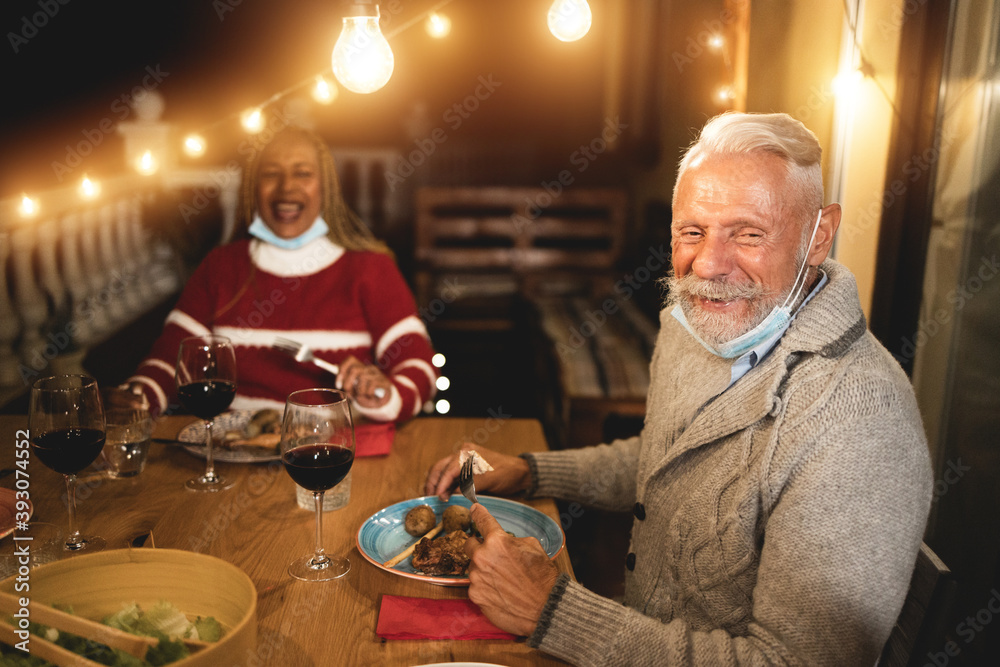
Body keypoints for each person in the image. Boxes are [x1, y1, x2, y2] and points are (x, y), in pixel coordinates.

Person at [425, 112, 933, 665]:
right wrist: (535, 471)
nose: (708, 265)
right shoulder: (696, 325)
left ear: (820, 236)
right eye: (692, 231)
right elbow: (671, 463)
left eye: (748, 234)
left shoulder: (859, 420)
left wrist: (555, 612)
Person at [124, 126, 437, 423]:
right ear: (253, 189)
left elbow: (419, 369)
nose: (287, 187)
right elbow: (172, 358)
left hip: (334, 455)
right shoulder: (220, 266)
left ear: (326, 187)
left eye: (303, 173)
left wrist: (385, 395)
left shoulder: (371, 268)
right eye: (271, 174)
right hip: (236, 452)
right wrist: (138, 398)